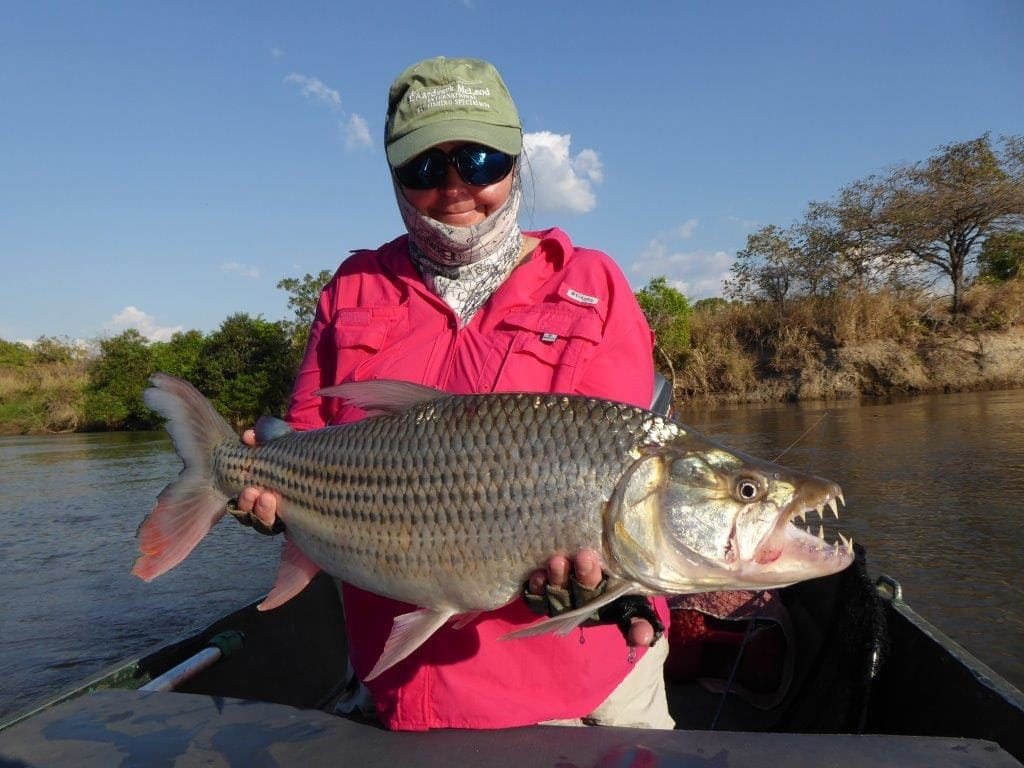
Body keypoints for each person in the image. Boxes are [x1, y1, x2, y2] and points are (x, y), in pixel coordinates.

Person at [233, 56, 673, 731]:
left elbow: (614, 465)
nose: (455, 187)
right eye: (423, 168)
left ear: (517, 157)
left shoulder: (594, 280)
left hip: (587, 683)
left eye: (479, 158)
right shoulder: (351, 287)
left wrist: (598, 583)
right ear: (392, 174)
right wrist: (264, 492)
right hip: (411, 696)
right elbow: (304, 443)